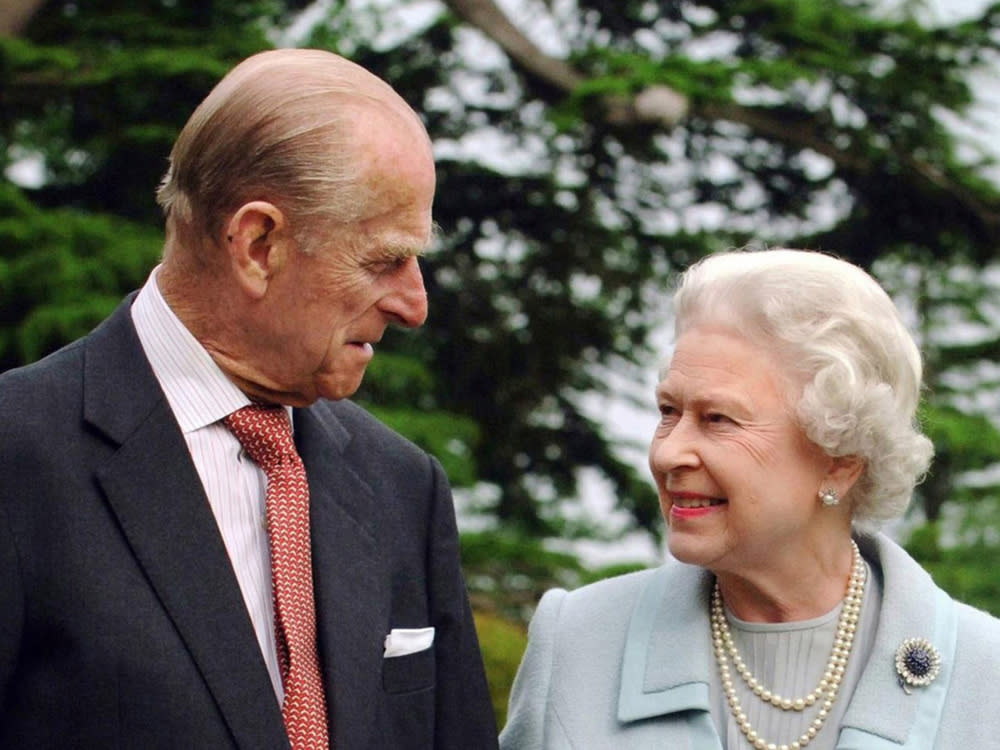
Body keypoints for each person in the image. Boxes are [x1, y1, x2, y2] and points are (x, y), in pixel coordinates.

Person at [0, 48, 498, 750]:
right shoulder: (17, 457)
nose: (414, 305)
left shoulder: (402, 485)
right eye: (384, 259)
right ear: (258, 244)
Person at [500, 248, 1000, 750]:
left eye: (719, 419)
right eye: (668, 411)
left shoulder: (986, 674)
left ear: (840, 460)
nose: (670, 452)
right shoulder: (577, 641)